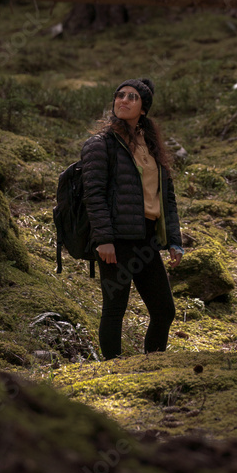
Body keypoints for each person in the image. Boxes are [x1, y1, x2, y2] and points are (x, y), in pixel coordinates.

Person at [81, 77, 184, 360]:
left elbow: (166, 198)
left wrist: (174, 240)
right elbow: (94, 194)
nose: (123, 100)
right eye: (120, 95)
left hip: (148, 239)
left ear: (143, 108)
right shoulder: (100, 144)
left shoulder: (150, 147)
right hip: (117, 240)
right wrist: (104, 239)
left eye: (132, 97)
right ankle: (111, 371)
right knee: (115, 309)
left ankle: (152, 365)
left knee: (164, 311)